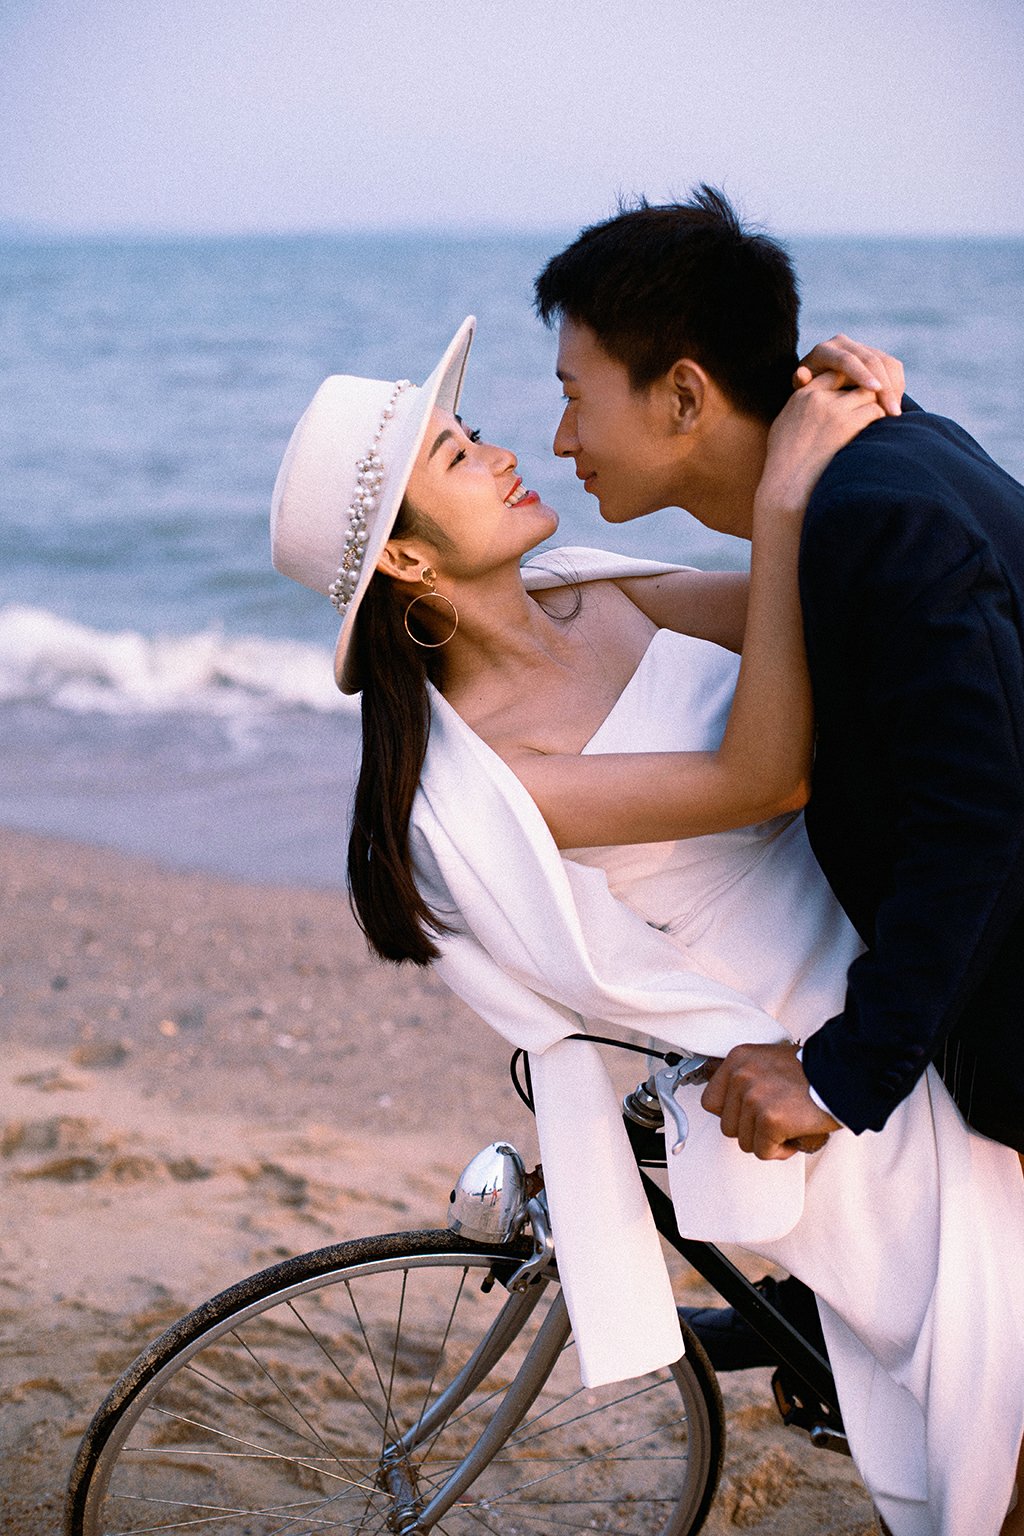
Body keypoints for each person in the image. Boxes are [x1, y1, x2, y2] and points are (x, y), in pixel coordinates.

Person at [270, 318, 1024, 1535]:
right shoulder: (493, 770)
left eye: (475, 432)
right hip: (805, 1037)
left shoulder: (593, 591)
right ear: (405, 560)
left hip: (893, 964)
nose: (506, 454)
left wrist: (841, 416)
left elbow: (827, 605)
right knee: (990, 1385)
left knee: (986, 1371)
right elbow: (762, 776)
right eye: (458, 457)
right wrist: (778, 499)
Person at [533, 187, 1024, 1534]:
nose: (561, 439)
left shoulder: (872, 514)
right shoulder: (864, 474)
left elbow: (979, 817)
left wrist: (840, 1073)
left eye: (575, 396)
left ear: (685, 394)